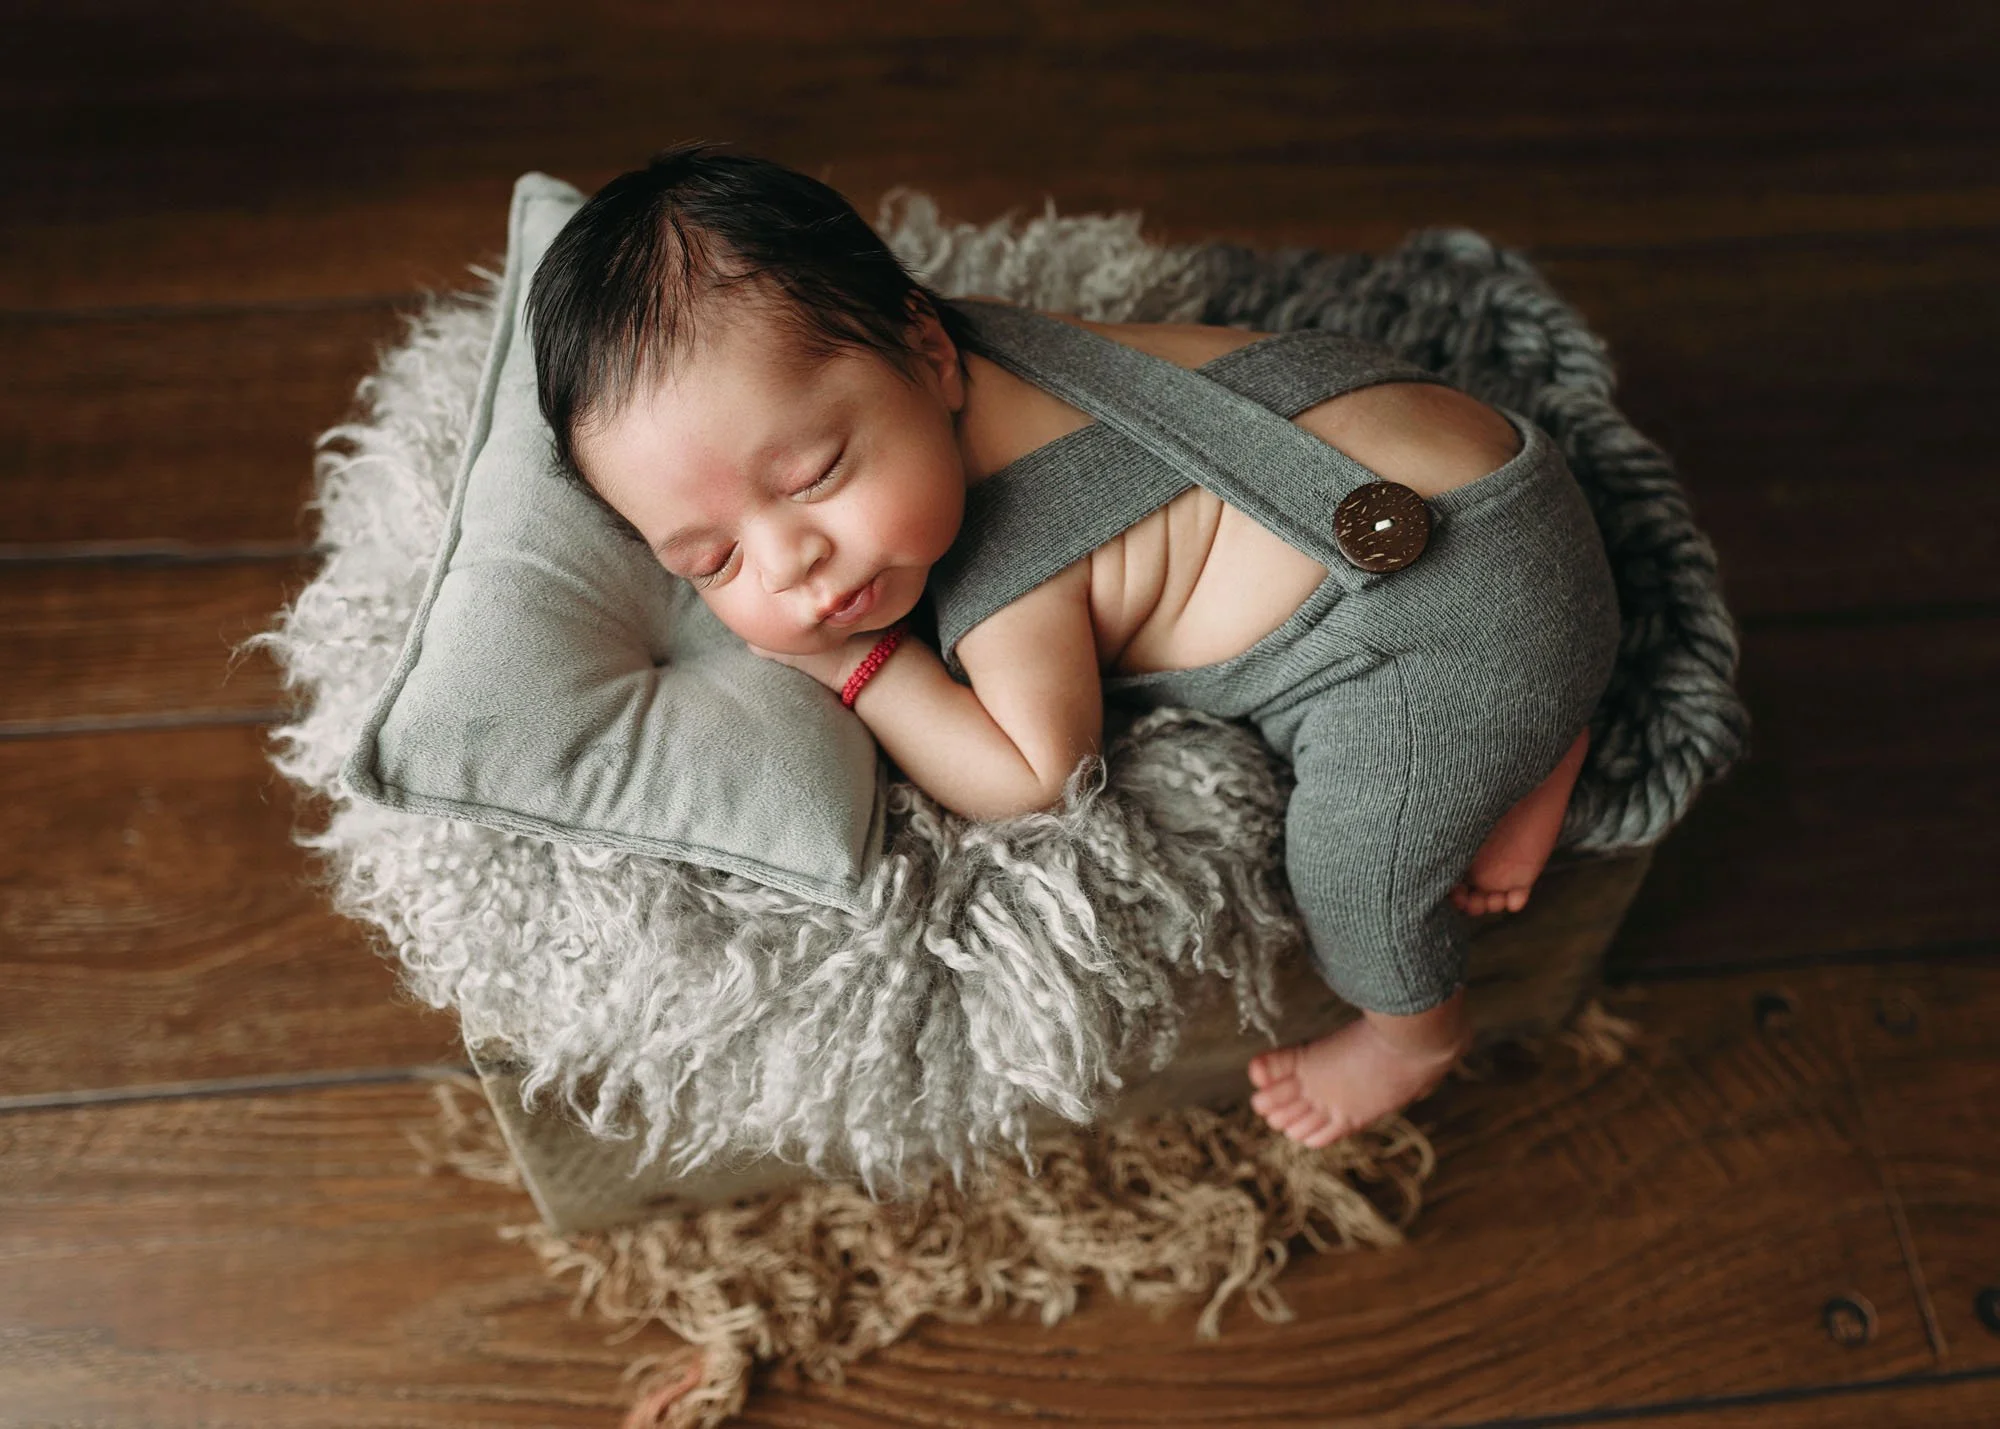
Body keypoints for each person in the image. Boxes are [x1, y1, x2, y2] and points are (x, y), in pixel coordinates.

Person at [527, 142, 1621, 1151]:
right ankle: (1539, 737)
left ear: (924, 351)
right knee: (1494, 676)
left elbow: (1035, 778)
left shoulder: (1011, 568)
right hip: (1500, 481)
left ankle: (1413, 1035)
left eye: (812, 476)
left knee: (1350, 872)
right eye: (711, 560)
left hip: (1438, 628)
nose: (791, 565)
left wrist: (860, 666)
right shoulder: (974, 341)